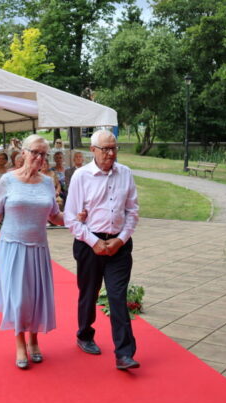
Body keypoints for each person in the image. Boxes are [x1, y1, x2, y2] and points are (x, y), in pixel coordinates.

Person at [0, 134, 65, 369]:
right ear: (24, 152)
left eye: (43, 154)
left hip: (38, 249)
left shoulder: (47, 182)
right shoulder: (8, 180)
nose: (39, 157)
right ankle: (19, 343)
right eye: (35, 152)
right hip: (13, 247)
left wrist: (76, 217)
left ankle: (34, 340)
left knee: (35, 298)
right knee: (18, 299)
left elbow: (55, 216)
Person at [64, 129, 140, 370]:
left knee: (118, 296)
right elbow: (70, 218)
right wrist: (93, 241)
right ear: (93, 150)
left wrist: (121, 239)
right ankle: (84, 334)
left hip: (119, 245)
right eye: (105, 149)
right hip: (89, 244)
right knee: (89, 292)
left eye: (114, 148)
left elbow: (132, 212)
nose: (111, 153)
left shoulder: (125, 173)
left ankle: (124, 354)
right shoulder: (81, 176)